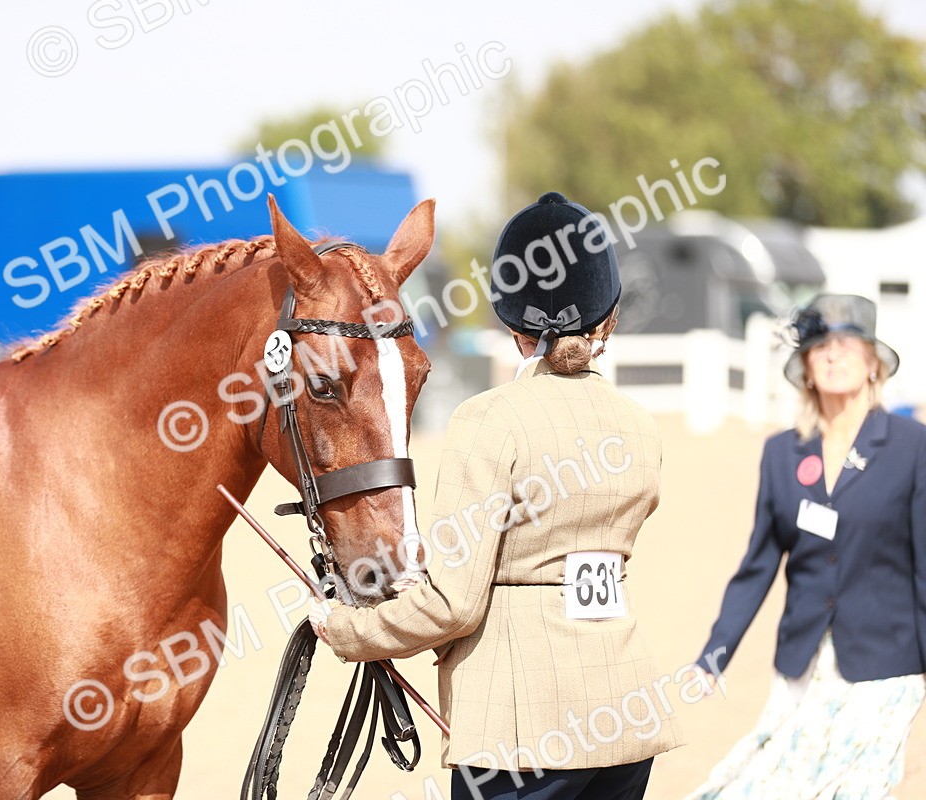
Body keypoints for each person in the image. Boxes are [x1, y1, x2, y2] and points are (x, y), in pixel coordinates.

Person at [309, 192, 684, 800]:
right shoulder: (639, 426)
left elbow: (453, 605)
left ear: (512, 324)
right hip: (625, 715)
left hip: (522, 728)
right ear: (607, 320)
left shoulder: (488, 420)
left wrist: (348, 630)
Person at [688, 293, 926, 799]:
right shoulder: (781, 454)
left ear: (872, 363)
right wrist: (714, 655)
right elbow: (757, 566)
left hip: (887, 667)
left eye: (846, 345)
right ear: (806, 367)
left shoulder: (913, 446)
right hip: (801, 663)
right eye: (820, 347)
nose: (833, 356)